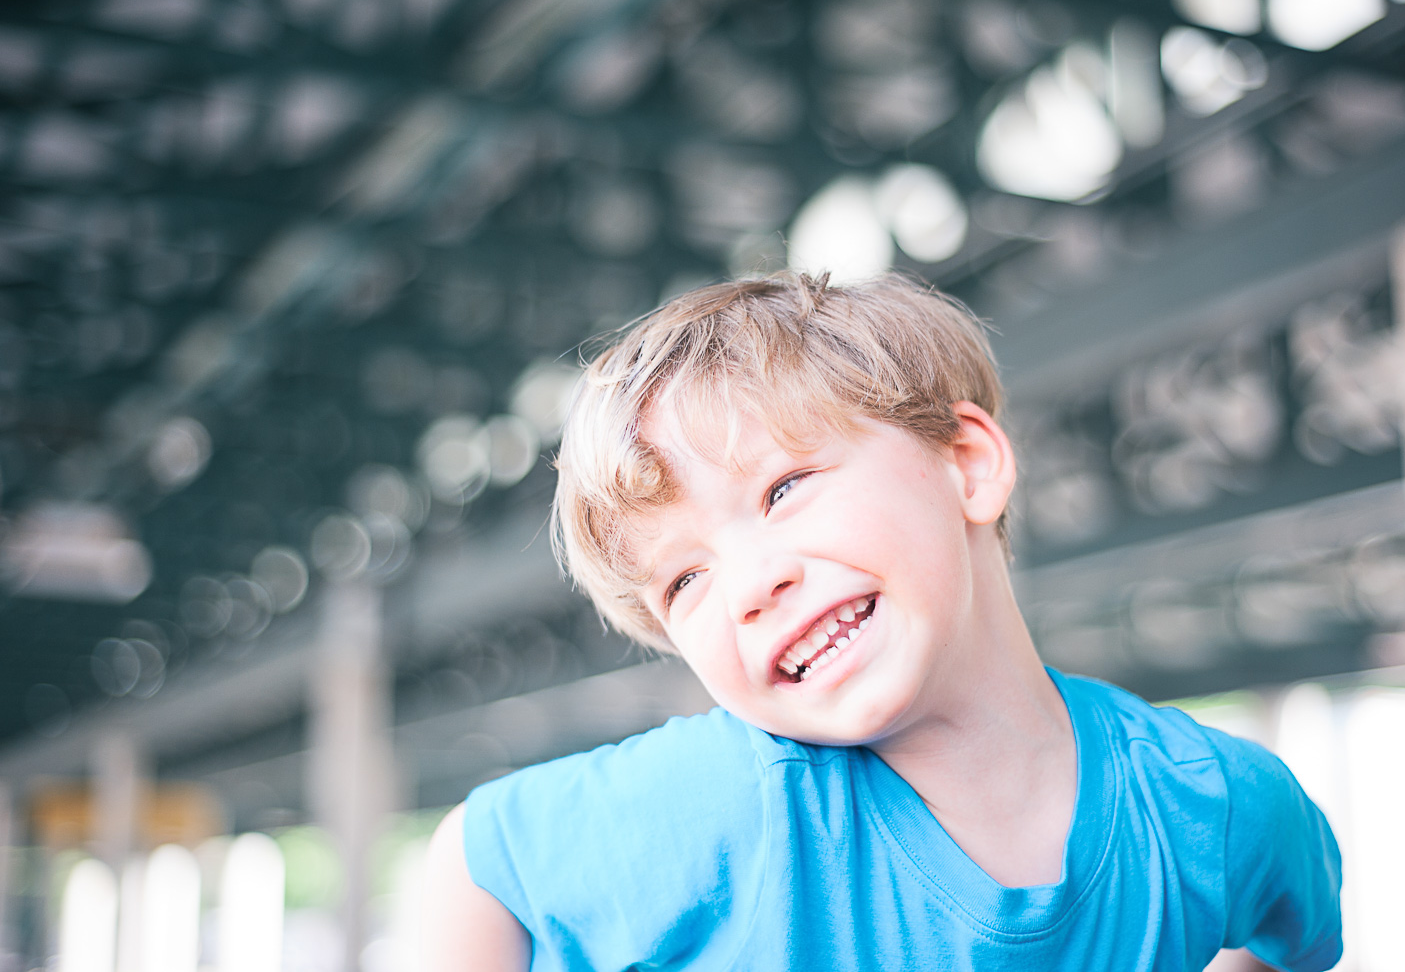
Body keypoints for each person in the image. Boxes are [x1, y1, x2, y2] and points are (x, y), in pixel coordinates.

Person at [421, 272, 1342, 971]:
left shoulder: (1214, 804)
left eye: (784, 489)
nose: (746, 585)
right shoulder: (725, 805)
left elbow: (1290, 930)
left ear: (968, 465)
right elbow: (472, 857)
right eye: (685, 580)